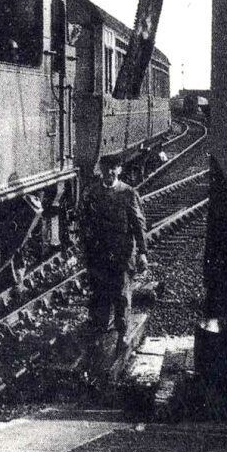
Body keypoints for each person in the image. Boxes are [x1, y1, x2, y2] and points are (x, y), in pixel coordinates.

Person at [75, 155, 148, 369]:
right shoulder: (92, 192)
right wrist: (85, 245)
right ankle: (99, 337)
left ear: (119, 169)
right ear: (101, 170)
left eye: (113, 169)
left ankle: (123, 335)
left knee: (121, 295)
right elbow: (83, 220)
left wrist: (142, 252)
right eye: (105, 169)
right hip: (98, 253)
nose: (109, 173)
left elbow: (138, 224)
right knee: (99, 295)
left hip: (122, 253)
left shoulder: (128, 193)